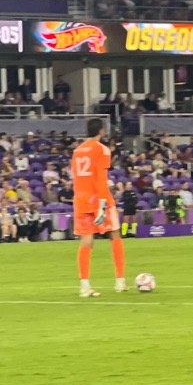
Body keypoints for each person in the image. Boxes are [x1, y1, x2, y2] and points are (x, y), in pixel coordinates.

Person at [72, 117, 125, 297]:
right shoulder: (102, 149)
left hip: (81, 199)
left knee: (86, 241)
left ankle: (85, 286)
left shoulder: (77, 151)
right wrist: (102, 204)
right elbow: (101, 179)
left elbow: (77, 178)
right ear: (101, 131)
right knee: (115, 234)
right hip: (98, 198)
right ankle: (119, 281)